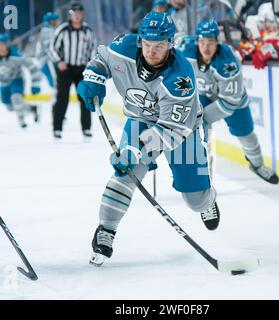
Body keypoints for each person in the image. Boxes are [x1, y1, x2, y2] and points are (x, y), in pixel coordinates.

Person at [77, 12, 220, 265]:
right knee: (124, 174)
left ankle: (207, 200)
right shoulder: (124, 46)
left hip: (181, 131)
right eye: (147, 45)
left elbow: (172, 131)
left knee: (195, 200)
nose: (152, 52)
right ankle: (106, 229)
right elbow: (102, 59)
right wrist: (94, 77)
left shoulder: (181, 80)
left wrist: (135, 148)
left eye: (159, 46)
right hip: (140, 120)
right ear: (140, 39)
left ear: (170, 44)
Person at [182, 20, 279, 184]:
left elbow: (229, 102)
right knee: (199, 132)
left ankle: (257, 165)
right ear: (197, 41)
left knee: (245, 133)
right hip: (205, 95)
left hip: (232, 100)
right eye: (202, 42)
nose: (206, 47)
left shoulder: (228, 63)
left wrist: (202, 116)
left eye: (210, 42)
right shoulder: (186, 51)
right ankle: (203, 175)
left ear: (218, 42)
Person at [49, 3, 97, 139]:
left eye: (79, 12)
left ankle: (86, 129)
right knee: (62, 98)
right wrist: (59, 61)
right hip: (66, 68)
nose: (77, 15)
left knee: (84, 98)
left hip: (82, 68)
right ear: (70, 15)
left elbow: (93, 48)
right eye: (74, 13)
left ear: (82, 14)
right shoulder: (63, 29)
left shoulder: (88, 30)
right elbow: (53, 48)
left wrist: (90, 62)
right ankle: (57, 129)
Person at [0, 34, 41, 128]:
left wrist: (35, 84)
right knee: (9, 107)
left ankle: (21, 120)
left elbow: (33, 67)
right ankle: (31, 108)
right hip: (4, 83)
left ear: (7, 44)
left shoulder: (17, 55)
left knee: (16, 97)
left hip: (16, 80)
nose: (1, 47)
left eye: (3, 44)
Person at [36, 12, 60, 89]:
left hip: (48, 60)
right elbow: (49, 49)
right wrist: (57, 60)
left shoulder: (50, 30)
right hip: (47, 61)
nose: (58, 21)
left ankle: (56, 98)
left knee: (56, 83)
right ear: (51, 21)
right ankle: (56, 99)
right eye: (56, 19)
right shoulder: (47, 31)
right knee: (55, 83)